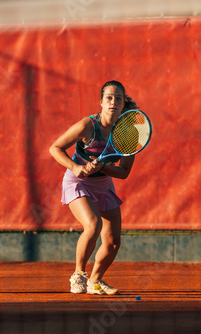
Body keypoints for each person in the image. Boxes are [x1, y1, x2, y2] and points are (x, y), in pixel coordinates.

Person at [49, 80, 139, 295]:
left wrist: (105, 168)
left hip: (103, 185)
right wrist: (75, 166)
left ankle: (95, 281)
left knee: (113, 242)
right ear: (101, 102)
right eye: (109, 97)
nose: (113, 102)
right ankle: (79, 275)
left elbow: (124, 172)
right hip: (77, 181)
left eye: (118, 98)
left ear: (123, 103)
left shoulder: (129, 134)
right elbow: (55, 148)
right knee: (92, 224)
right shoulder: (87, 126)